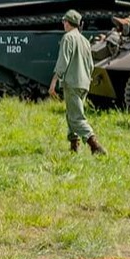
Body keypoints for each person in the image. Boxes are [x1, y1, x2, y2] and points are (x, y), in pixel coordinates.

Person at [48, 10, 106, 155]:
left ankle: (95, 145)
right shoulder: (85, 41)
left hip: (72, 82)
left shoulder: (68, 38)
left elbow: (63, 62)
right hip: (84, 83)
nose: (63, 24)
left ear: (67, 22)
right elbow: (91, 65)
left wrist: (54, 81)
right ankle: (74, 146)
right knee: (72, 113)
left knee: (76, 117)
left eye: (64, 21)